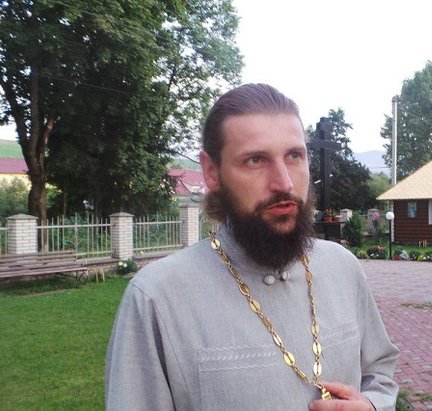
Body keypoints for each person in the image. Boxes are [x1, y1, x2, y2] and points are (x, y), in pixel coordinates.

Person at [105, 84, 399, 410]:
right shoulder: (157, 297)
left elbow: (379, 371)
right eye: (256, 160)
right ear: (212, 172)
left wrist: (372, 404)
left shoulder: (343, 267)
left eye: (294, 156)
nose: (284, 182)